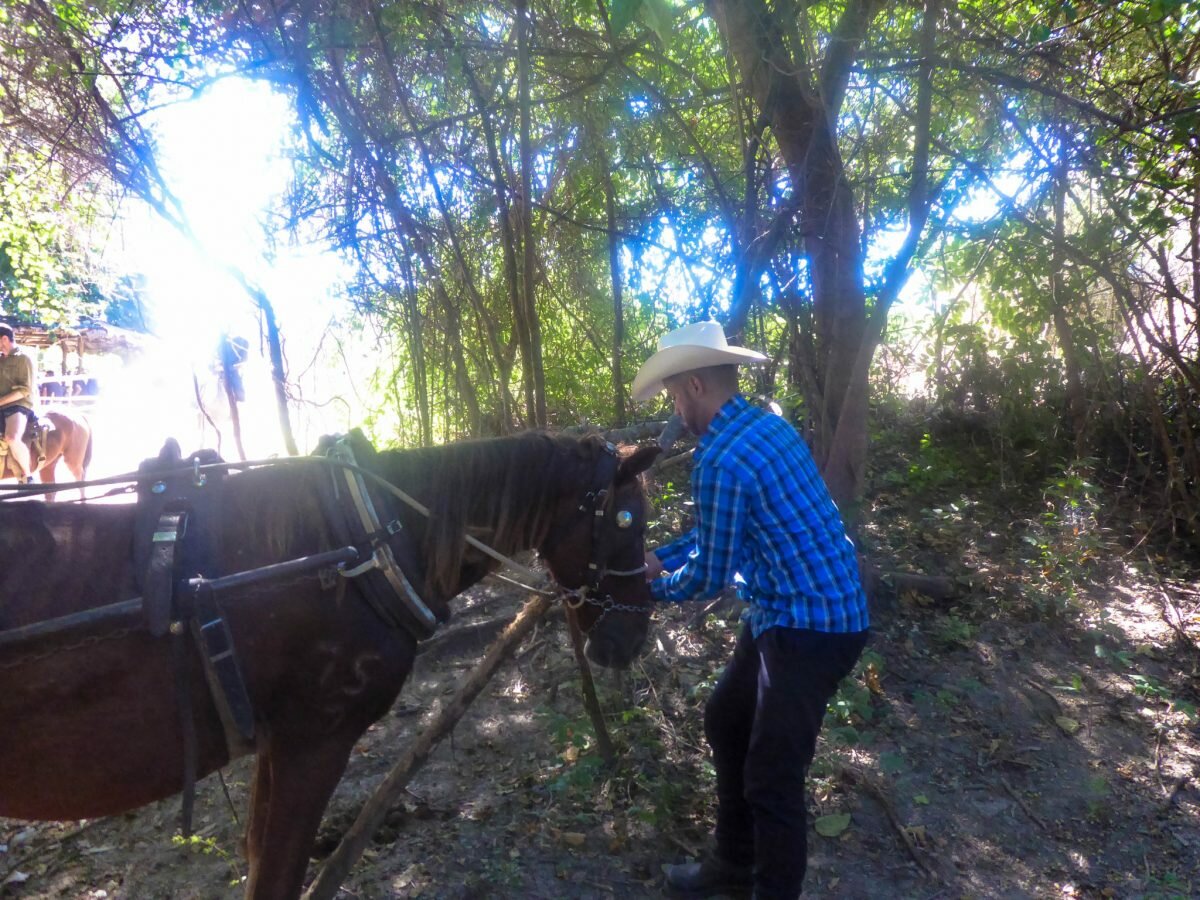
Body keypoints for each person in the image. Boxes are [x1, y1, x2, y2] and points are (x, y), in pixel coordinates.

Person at [631, 320, 870, 900]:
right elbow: (722, 529)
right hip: (793, 613)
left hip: (810, 628)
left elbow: (712, 573)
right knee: (726, 718)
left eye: (671, 393)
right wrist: (660, 557)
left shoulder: (720, 460)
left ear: (692, 386)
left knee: (772, 777)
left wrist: (642, 592)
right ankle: (733, 866)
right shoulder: (766, 427)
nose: (673, 407)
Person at [0, 324, 35, 478]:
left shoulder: (23, 358)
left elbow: (25, 390)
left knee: (11, 438)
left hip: (18, 405)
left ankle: (27, 476)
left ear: (4, 339)